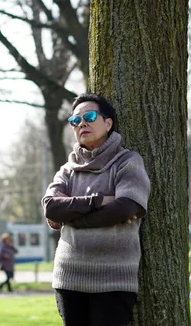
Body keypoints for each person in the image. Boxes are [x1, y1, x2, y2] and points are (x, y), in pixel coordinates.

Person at [42, 93, 151, 326]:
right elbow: (51, 207)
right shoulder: (68, 170)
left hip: (113, 279)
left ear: (108, 123)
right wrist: (98, 201)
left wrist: (72, 218)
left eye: (89, 116)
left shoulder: (128, 162)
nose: (82, 123)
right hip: (69, 277)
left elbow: (125, 208)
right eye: (75, 120)